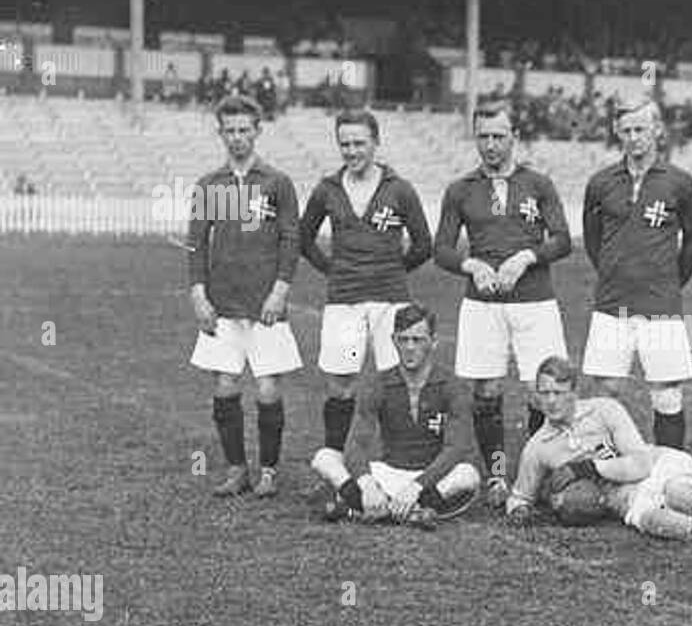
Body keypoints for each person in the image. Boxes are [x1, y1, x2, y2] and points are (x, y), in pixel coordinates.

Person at [504, 357, 692, 557]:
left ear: (574, 392)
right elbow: (520, 495)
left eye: (558, 392)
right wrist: (519, 510)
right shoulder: (538, 446)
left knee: (679, 495)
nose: (551, 401)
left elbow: (640, 464)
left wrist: (587, 468)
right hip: (627, 501)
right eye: (544, 393)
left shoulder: (605, 409)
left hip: (660, 467)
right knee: (666, 524)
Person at [434, 102, 572, 507]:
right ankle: (496, 474)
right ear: (475, 138)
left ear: (514, 136)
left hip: (534, 301)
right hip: (482, 305)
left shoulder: (539, 184)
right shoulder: (460, 189)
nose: (491, 144)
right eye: (484, 136)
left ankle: (535, 475)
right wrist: (470, 264)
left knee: (541, 391)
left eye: (499, 136)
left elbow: (562, 239)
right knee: (487, 390)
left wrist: (527, 257)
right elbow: (440, 249)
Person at [299, 108, 434, 463]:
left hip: (390, 302)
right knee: (341, 383)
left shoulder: (400, 189)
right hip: (345, 299)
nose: (352, 151)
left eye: (359, 143)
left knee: (397, 381)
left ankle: (402, 460)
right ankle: (335, 462)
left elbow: (424, 244)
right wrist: (334, 269)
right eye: (344, 144)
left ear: (376, 142)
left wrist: (391, 270)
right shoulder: (327, 189)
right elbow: (304, 238)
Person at [187, 95, 302, 497]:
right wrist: (199, 295)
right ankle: (237, 469)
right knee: (225, 386)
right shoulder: (211, 185)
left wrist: (280, 291)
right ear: (220, 133)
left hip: (265, 305)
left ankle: (268, 471)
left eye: (244, 130)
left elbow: (291, 240)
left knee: (268, 388)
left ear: (257, 131)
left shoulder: (276, 182)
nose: (237, 138)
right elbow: (197, 244)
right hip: (223, 305)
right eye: (230, 131)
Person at [580, 97, 692, 449]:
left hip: (662, 305)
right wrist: (613, 271)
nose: (634, 137)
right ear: (618, 133)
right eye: (627, 130)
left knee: (667, 394)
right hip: (611, 304)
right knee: (607, 390)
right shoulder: (600, 182)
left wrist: (668, 279)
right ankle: (611, 468)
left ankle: (668, 469)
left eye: (641, 129)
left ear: (658, 131)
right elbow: (593, 240)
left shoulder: (681, 182)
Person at [310, 303, 480, 527]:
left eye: (418, 340)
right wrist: (369, 486)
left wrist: (417, 486)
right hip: (388, 474)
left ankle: (362, 508)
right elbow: (356, 445)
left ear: (434, 342)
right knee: (324, 457)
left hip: (431, 476)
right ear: (393, 340)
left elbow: (456, 449)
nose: (410, 347)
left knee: (469, 475)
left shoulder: (452, 386)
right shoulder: (378, 383)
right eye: (403, 339)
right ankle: (414, 511)